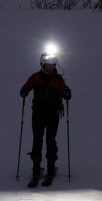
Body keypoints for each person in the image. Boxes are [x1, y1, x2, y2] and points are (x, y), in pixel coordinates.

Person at [20, 51, 72, 187]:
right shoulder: (36, 77)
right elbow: (25, 88)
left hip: (52, 115)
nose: (50, 67)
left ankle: (50, 169)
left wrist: (67, 93)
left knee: (50, 140)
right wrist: (24, 90)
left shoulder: (58, 80)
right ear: (43, 64)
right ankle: (36, 170)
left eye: (52, 65)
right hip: (38, 114)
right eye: (48, 64)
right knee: (37, 140)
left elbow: (66, 94)